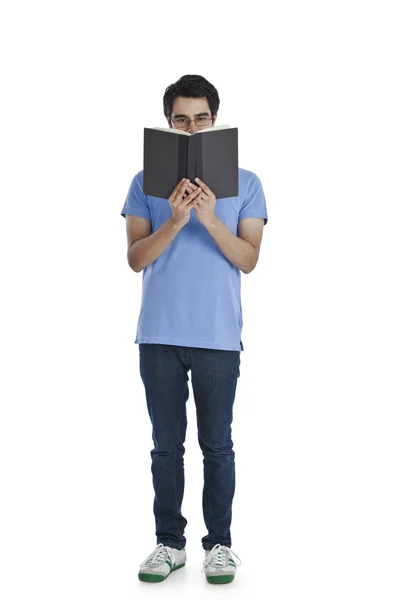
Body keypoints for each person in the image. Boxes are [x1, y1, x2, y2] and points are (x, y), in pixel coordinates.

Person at [121, 74, 268, 584]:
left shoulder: (245, 183)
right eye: (181, 120)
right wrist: (175, 221)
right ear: (169, 124)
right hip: (159, 334)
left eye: (201, 119)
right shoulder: (144, 181)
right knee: (166, 445)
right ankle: (168, 544)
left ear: (214, 122)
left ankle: (220, 545)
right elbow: (136, 258)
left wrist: (208, 219)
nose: (191, 128)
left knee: (217, 445)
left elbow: (248, 259)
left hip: (218, 336)